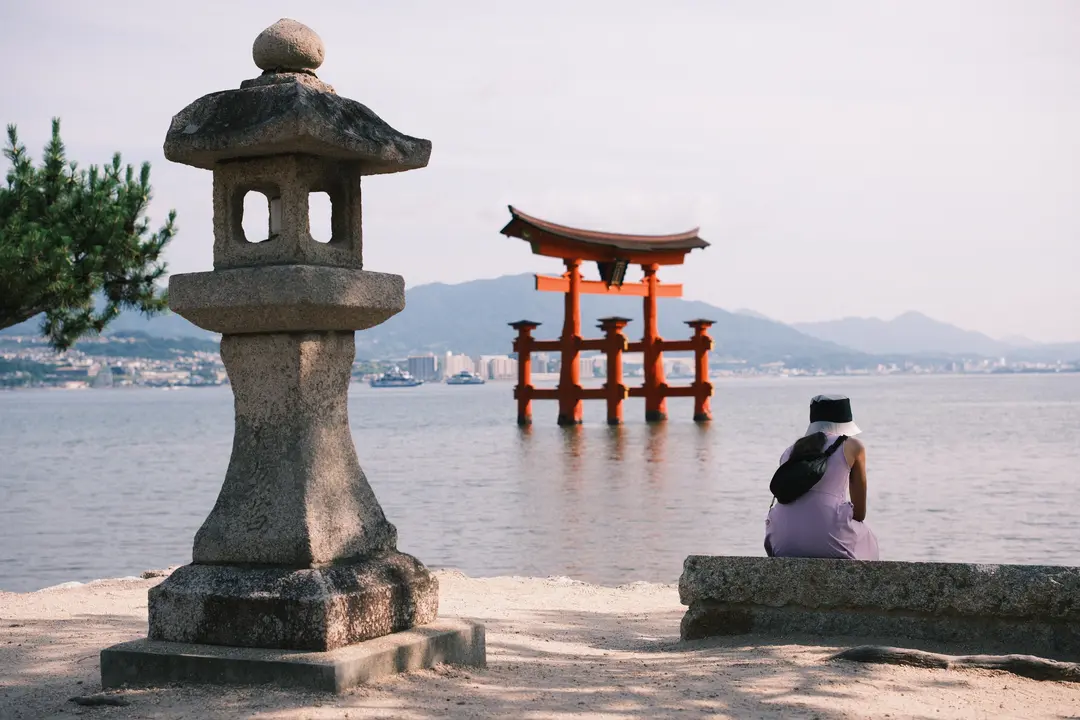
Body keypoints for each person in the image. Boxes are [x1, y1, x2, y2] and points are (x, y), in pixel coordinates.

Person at [764, 394, 880, 560]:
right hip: (830, 538)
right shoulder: (853, 447)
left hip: (782, 539)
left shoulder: (790, 451)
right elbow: (859, 513)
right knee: (868, 538)